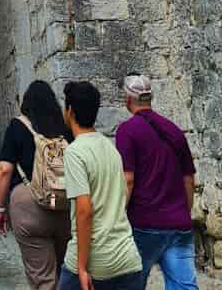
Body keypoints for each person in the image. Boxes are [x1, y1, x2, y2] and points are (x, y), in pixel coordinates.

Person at [115, 75, 198, 289]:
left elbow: (128, 179)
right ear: (150, 98)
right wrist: (184, 213)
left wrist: (118, 216)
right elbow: (189, 179)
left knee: (131, 284)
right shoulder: (174, 130)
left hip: (144, 223)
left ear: (127, 99)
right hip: (179, 224)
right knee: (184, 286)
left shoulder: (127, 130)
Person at [58, 81, 142, 290]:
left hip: (97, 261)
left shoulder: (75, 152)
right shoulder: (110, 148)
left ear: (70, 111)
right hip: (127, 258)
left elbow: (84, 210)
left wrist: (82, 267)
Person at [0, 80, 71, 286]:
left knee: (42, 276)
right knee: (66, 272)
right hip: (63, 202)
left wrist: (0, 208)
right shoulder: (64, 128)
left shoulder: (17, 127)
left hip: (29, 204)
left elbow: (4, 169)